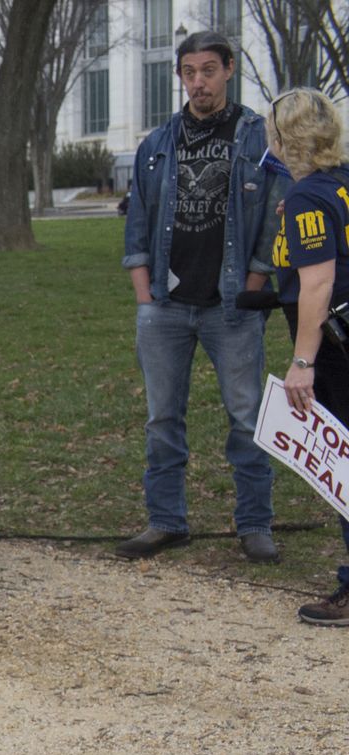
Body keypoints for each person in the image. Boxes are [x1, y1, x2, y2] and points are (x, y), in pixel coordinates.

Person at [117, 30, 283, 563]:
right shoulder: (157, 144)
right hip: (165, 307)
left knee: (247, 417)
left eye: (208, 70)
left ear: (229, 70)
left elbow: (271, 224)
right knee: (162, 419)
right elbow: (137, 223)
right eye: (189, 72)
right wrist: (146, 298)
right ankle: (166, 520)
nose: (198, 82)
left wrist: (252, 287)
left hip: (231, 305)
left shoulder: (258, 138)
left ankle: (255, 524)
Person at [266, 87, 349, 624]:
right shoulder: (335, 185)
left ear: (285, 138)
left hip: (336, 347)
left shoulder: (308, 198)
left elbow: (317, 282)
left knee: (346, 462)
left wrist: (302, 363)